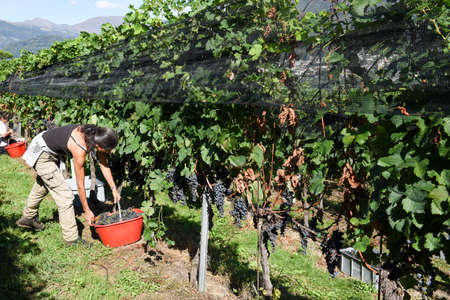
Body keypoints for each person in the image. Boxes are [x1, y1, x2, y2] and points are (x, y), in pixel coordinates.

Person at [17, 124, 121, 246]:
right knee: (65, 196)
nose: (110, 152)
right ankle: (71, 239)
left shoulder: (97, 135)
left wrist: (114, 188)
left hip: (49, 149)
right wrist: (86, 210)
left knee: (44, 183)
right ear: (99, 145)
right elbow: (80, 185)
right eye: (108, 149)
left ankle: (27, 218)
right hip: (41, 153)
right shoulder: (79, 149)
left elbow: (104, 164)